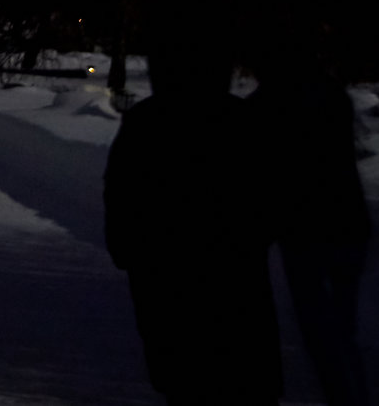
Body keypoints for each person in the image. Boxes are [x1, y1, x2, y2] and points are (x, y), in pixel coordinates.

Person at [104, 41, 282, 405]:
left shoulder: (148, 121)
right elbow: (270, 196)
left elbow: (121, 195)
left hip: (167, 275)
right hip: (234, 274)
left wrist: (127, 250)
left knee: (184, 377)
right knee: (240, 372)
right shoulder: (240, 119)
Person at [249, 48, 370, 406]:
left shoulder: (268, 104)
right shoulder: (330, 93)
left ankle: (346, 397)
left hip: (305, 232)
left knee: (322, 335)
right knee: (340, 334)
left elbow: (266, 174)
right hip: (347, 224)